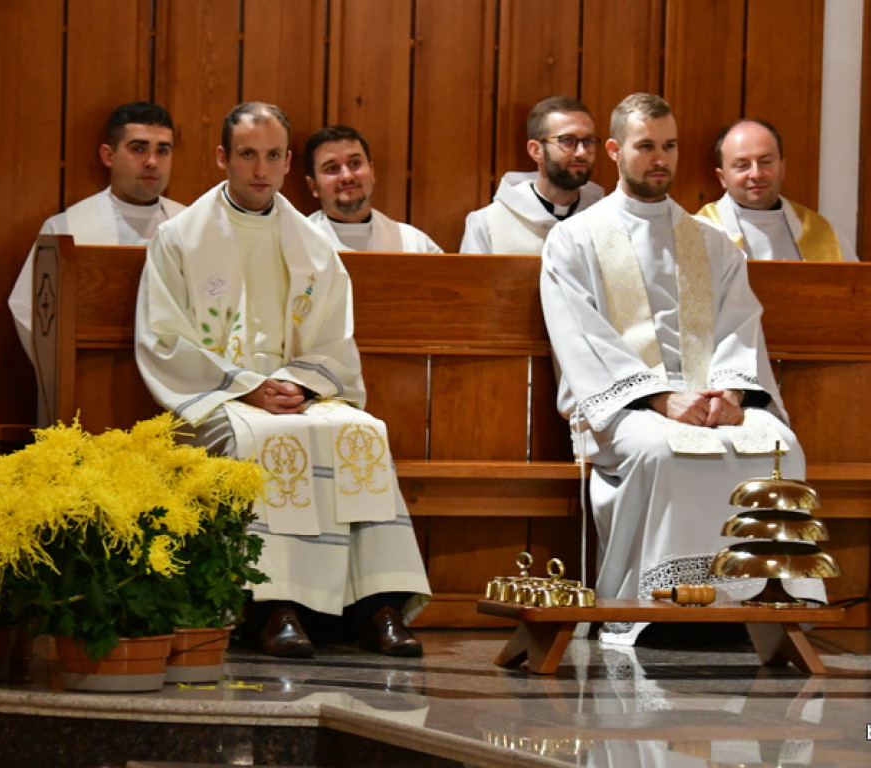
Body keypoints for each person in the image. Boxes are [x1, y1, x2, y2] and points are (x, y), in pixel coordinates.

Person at [135, 102, 430, 659]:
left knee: (363, 432)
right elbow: (164, 339)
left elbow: (335, 339)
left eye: (273, 156)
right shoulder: (180, 238)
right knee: (270, 437)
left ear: (288, 162)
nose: (260, 169)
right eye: (247, 154)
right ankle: (273, 608)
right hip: (218, 397)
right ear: (223, 157)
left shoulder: (314, 244)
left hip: (297, 391)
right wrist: (246, 386)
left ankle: (376, 605)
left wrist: (300, 383)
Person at [539, 93, 823, 646]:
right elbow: (582, 337)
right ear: (615, 151)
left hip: (709, 400)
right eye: (646, 146)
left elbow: (740, 325)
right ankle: (659, 610)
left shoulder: (712, 243)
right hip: (624, 407)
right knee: (661, 451)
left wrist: (733, 396)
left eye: (669, 146)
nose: (660, 159)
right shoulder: (574, 240)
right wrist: (659, 398)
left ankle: (765, 604)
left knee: (780, 448)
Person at [9, 101, 186, 355]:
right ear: (108, 156)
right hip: (91, 370)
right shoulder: (65, 230)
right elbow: (27, 310)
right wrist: (64, 367)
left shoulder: (191, 226)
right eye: (138, 149)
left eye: (163, 151)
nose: (152, 161)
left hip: (175, 371)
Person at [696, 118, 857, 262]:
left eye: (766, 162)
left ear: (782, 168)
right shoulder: (700, 232)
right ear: (722, 177)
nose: (756, 174)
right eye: (742, 165)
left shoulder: (820, 233)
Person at [460, 95, 604, 254]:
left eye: (588, 141)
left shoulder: (604, 217)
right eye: (567, 141)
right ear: (536, 150)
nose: (581, 152)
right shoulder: (486, 224)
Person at [304, 125, 443, 253]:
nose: (347, 176)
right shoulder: (298, 243)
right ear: (313, 186)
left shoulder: (414, 244)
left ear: (372, 172)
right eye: (332, 168)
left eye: (354, 163)